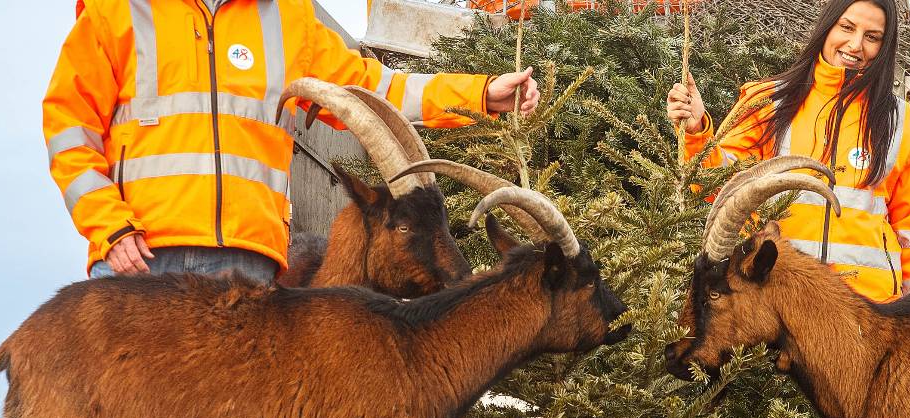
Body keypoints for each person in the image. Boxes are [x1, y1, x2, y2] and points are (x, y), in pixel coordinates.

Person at [43, 0, 540, 283]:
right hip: (138, 258)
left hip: (242, 263)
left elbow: (375, 91)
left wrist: (479, 94)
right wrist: (109, 228)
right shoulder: (118, 11)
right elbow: (69, 129)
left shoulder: (285, 19)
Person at [666, 0, 910, 301]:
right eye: (847, 27)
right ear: (828, 27)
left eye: (872, 36)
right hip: (775, 304)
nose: (855, 45)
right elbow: (719, 187)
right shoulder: (768, 102)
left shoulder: (903, 125)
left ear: (884, 46)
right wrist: (697, 132)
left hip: (868, 313)